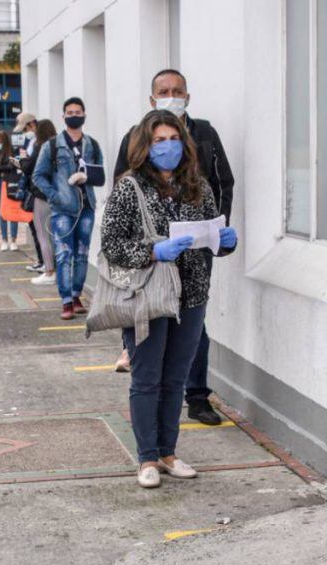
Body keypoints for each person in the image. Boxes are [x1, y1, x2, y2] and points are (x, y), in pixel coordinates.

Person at [101, 110, 237, 488]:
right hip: (147, 295)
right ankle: (146, 457)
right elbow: (111, 245)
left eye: (174, 139)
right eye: (159, 140)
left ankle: (168, 452)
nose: (168, 147)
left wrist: (225, 241)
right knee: (147, 378)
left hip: (191, 295)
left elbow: (211, 235)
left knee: (175, 378)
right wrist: (153, 252)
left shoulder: (198, 186)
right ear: (145, 146)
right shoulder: (129, 188)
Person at [112, 70, 235, 427]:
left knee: (194, 326)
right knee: (151, 329)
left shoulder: (205, 134)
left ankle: (197, 396)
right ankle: (136, 357)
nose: (172, 95)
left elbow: (223, 183)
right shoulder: (135, 137)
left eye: (178, 91)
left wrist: (217, 233)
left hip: (196, 253)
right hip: (152, 261)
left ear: (188, 96)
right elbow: (122, 193)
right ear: (152, 99)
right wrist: (150, 247)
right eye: (164, 91)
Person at [32, 97, 105, 320]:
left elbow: (100, 176)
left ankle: (76, 296)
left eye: (78, 112)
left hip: (87, 207)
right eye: (70, 112)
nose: (74, 116)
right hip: (62, 209)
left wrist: (86, 177)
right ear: (63, 116)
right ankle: (65, 301)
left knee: (82, 254)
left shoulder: (92, 145)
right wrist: (55, 196)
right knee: (64, 254)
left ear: (84, 115)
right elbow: (38, 176)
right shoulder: (52, 145)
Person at [19, 119, 58, 285]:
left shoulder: (40, 147)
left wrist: (22, 160)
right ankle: (58, 270)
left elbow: (29, 168)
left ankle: (50, 271)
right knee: (55, 235)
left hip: (42, 194)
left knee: (43, 234)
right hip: (58, 194)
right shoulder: (58, 146)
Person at [12, 113, 42, 267]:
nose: (24, 133)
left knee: (40, 229)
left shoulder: (39, 142)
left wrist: (23, 163)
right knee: (34, 227)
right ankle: (42, 261)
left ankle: (46, 263)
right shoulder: (31, 142)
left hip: (38, 189)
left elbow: (30, 165)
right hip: (30, 187)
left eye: (25, 129)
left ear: (32, 124)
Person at [0, 130, 19, 250]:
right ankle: (4, 240)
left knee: (12, 212)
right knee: (2, 212)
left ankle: (13, 240)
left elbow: (12, 167)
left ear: (5, 141)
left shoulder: (12, 151)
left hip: (11, 183)